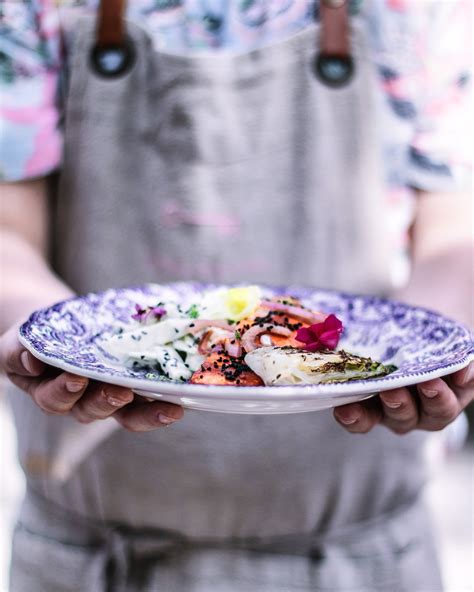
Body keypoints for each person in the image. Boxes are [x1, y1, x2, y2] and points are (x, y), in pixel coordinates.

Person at [0, 1, 472, 590]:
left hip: (358, 557)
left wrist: (432, 349)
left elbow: (452, 228)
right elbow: (7, 229)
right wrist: (42, 329)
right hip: (91, 559)